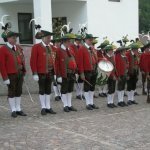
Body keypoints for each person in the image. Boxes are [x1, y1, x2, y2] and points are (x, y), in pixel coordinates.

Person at [0, 24, 27, 118]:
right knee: (12, 91)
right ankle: (13, 110)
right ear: (8, 38)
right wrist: (5, 77)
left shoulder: (18, 48)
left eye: (16, 37)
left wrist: (24, 70)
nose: (15, 39)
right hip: (10, 74)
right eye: (13, 37)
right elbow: (2, 65)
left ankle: (18, 108)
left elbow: (22, 59)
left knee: (19, 91)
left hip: (19, 73)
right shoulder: (3, 49)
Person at [30, 27, 57, 115]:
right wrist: (34, 73)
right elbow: (33, 61)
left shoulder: (52, 47)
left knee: (48, 90)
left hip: (50, 72)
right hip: (41, 72)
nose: (49, 39)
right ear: (43, 38)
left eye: (50, 38)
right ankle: (43, 107)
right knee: (42, 90)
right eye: (48, 38)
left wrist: (56, 73)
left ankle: (48, 107)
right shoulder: (36, 47)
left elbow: (55, 60)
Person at [56, 34, 78, 112]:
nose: (70, 43)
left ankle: (69, 104)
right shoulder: (58, 50)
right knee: (64, 90)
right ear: (64, 42)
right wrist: (58, 75)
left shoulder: (70, 50)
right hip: (64, 73)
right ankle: (65, 105)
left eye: (70, 41)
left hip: (71, 73)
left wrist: (75, 71)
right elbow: (56, 64)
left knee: (70, 90)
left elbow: (73, 60)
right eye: (68, 41)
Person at [77, 34, 99, 110]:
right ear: (85, 40)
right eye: (89, 40)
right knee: (87, 87)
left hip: (94, 70)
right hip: (87, 71)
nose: (91, 41)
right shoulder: (82, 48)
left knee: (92, 87)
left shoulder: (92, 48)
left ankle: (92, 103)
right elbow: (80, 62)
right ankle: (87, 104)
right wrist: (82, 73)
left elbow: (95, 59)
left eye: (91, 39)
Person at [69, 34, 85, 100]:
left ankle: (80, 93)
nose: (79, 41)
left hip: (81, 65)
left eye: (80, 40)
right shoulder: (71, 46)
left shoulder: (81, 46)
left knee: (81, 80)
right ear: (75, 40)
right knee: (76, 80)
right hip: (75, 65)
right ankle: (77, 94)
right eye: (78, 40)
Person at [51, 36, 62, 101]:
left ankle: (60, 94)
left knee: (60, 82)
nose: (57, 43)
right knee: (55, 82)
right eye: (56, 42)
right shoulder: (52, 50)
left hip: (60, 68)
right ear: (54, 43)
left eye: (59, 42)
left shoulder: (61, 50)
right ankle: (56, 95)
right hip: (53, 68)